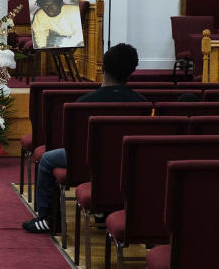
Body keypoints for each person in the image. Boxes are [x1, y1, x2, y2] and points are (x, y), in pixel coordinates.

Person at [23, 43, 147, 233]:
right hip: (129, 162)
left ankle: (48, 218)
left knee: (47, 159)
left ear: (103, 68)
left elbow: (73, 144)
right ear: (131, 72)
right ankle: (108, 210)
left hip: (88, 161)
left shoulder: (85, 103)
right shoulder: (142, 103)